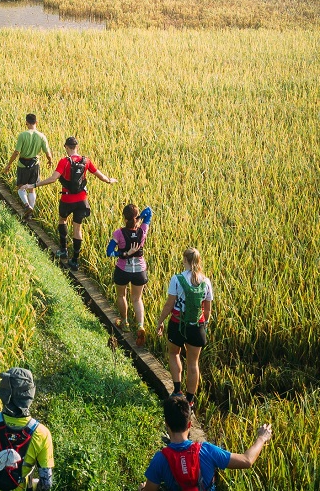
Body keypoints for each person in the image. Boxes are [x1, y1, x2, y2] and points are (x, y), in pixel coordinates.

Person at [140, 394, 272, 491]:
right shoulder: (207, 450)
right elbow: (247, 460)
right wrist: (261, 438)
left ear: (167, 425)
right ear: (190, 424)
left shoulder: (160, 459)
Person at [22, 136, 116, 270]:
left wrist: (34, 185)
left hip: (67, 199)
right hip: (82, 200)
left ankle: (63, 250)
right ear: (77, 147)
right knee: (78, 229)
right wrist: (109, 180)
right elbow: (100, 175)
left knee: (63, 220)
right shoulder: (86, 161)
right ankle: (75, 260)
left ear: (66, 147)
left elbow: (53, 179)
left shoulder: (64, 161)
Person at [155, 248, 213, 409]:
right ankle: (190, 399)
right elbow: (207, 310)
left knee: (174, 353)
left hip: (177, 324)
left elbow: (169, 304)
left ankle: (177, 390)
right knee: (193, 363)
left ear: (185, 260)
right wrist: (204, 325)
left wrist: (160, 321)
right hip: (197, 327)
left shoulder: (177, 279)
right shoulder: (206, 281)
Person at [106, 205, 153, 346]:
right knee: (137, 299)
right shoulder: (143, 231)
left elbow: (109, 252)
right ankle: (140, 326)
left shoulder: (119, 233)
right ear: (136, 217)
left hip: (123, 269)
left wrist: (124, 253)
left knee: (122, 296)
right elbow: (149, 212)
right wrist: (141, 218)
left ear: (124, 218)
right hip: (139, 271)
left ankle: (125, 323)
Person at [3, 114, 52, 218]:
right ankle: (30, 212)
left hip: (22, 164)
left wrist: (9, 164)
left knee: (21, 187)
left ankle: (26, 206)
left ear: (26, 123)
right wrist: (50, 161)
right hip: (35, 165)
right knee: (31, 188)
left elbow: (17, 152)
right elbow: (47, 153)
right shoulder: (42, 136)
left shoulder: (23, 135)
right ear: (36, 122)